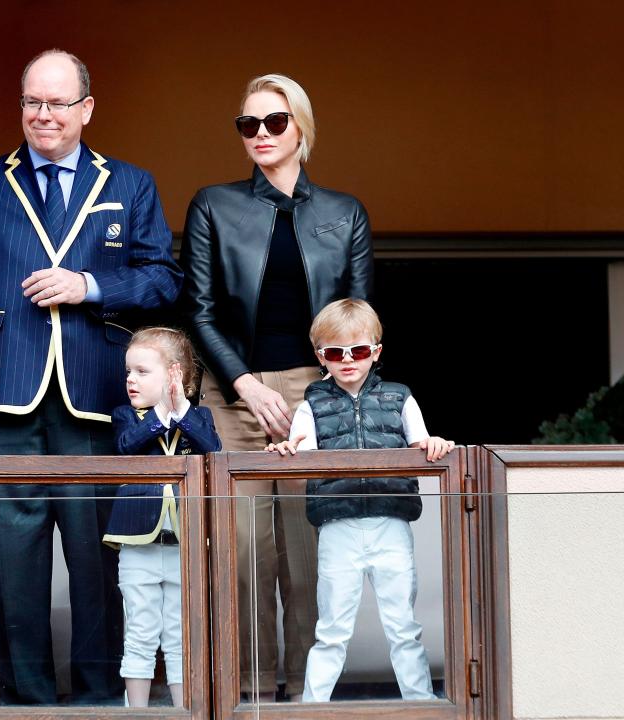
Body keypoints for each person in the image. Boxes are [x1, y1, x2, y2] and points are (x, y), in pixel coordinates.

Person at [0, 50, 183, 705]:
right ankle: (26, 703)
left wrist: (87, 285)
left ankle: (98, 701)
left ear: (86, 108)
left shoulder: (131, 184)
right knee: (13, 567)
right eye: (33, 101)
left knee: (99, 566)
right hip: (1, 395)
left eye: (58, 103)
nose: (43, 115)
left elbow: (163, 279)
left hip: (94, 401)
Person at [178, 73, 373, 700]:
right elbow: (199, 310)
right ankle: (252, 691)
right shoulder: (213, 203)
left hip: (318, 395)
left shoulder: (344, 213)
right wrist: (244, 385)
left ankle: (309, 695)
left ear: (301, 128)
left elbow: (359, 318)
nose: (260, 134)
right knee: (242, 553)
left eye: (274, 122)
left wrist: (332, 395)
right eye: (248, 124)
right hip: (233, 394)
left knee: (310, 547)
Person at [266, 298, 454, 702]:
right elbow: (300, 450)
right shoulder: (311, 404)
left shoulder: (400, 397)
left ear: (376, 351)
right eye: (335, 352)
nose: (347, 360)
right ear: (321, 357)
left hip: (390, 522)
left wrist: (434, 443)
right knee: (331, 629)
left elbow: (422, 443)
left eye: (359, 350)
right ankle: (313, 708)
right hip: (338, 526)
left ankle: (420, 705)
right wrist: (288, 449)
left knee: (403, 625)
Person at [103, 327, 221, 707]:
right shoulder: (126, 416)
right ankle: (135, 712)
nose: (130, 380)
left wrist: (180, 410)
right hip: (139, 544)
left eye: (141, 371)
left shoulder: (198, 417)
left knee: (180, 634)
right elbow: (126, 447)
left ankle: (183, 712)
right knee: (139, 631)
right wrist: (160, 413)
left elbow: (213, 450)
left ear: (175, 374)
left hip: (186, 543)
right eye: (128, 372)